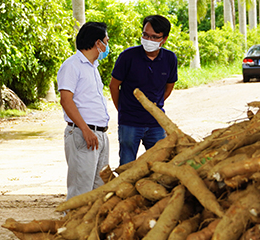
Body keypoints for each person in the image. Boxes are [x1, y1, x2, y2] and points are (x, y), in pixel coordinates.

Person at [109, 14, 178, 166]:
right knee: (127, 165)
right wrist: (122, 109)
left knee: (159, 164)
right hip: (130, 122)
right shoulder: (128, 56)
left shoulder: (170, 58)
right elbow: (114, 86)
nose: (149, 40)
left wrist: (153, 107)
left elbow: (169, 85)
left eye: (154, 37)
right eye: (145, 35)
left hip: (156, 122)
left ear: (164, 39)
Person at [57, 22, 111, 200]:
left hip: (99, 134)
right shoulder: (72, 65)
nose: (107, 45)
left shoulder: (92, 67)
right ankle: (72, 227)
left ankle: (89, 228)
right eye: (106, 41)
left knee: (99, 190)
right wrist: (86, 130)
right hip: (83, 134)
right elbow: (66, 100)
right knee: (81, 191)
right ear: (97, 43)